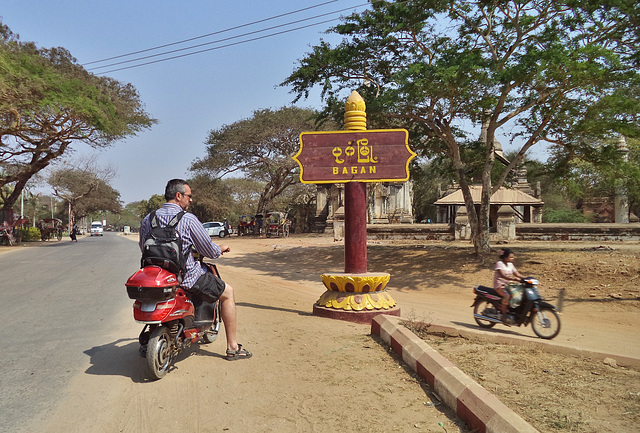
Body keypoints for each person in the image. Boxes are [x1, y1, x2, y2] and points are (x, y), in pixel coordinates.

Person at [139, 179, 252, 360]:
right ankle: (233, 347)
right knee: (228, 293)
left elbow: (143, 246)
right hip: (188, 279)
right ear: (179, 196)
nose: (191, 200)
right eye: (189, 196)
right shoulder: (188, 220)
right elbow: (208, 250)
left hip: (158, 279)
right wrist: (220, 248)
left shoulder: (148, 219)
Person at [493, 248, 525, 321]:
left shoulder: (510, 264)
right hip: (500, 285)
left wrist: (528, 278)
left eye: (513, 257)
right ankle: (504, 315)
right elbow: (503, 275)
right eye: (511, 257)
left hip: (509, 285)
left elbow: (517, 274)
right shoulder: (499, 264)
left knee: (520, 294)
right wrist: (514, 279)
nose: (513, 258)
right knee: (509, 296)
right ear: (505, 257)